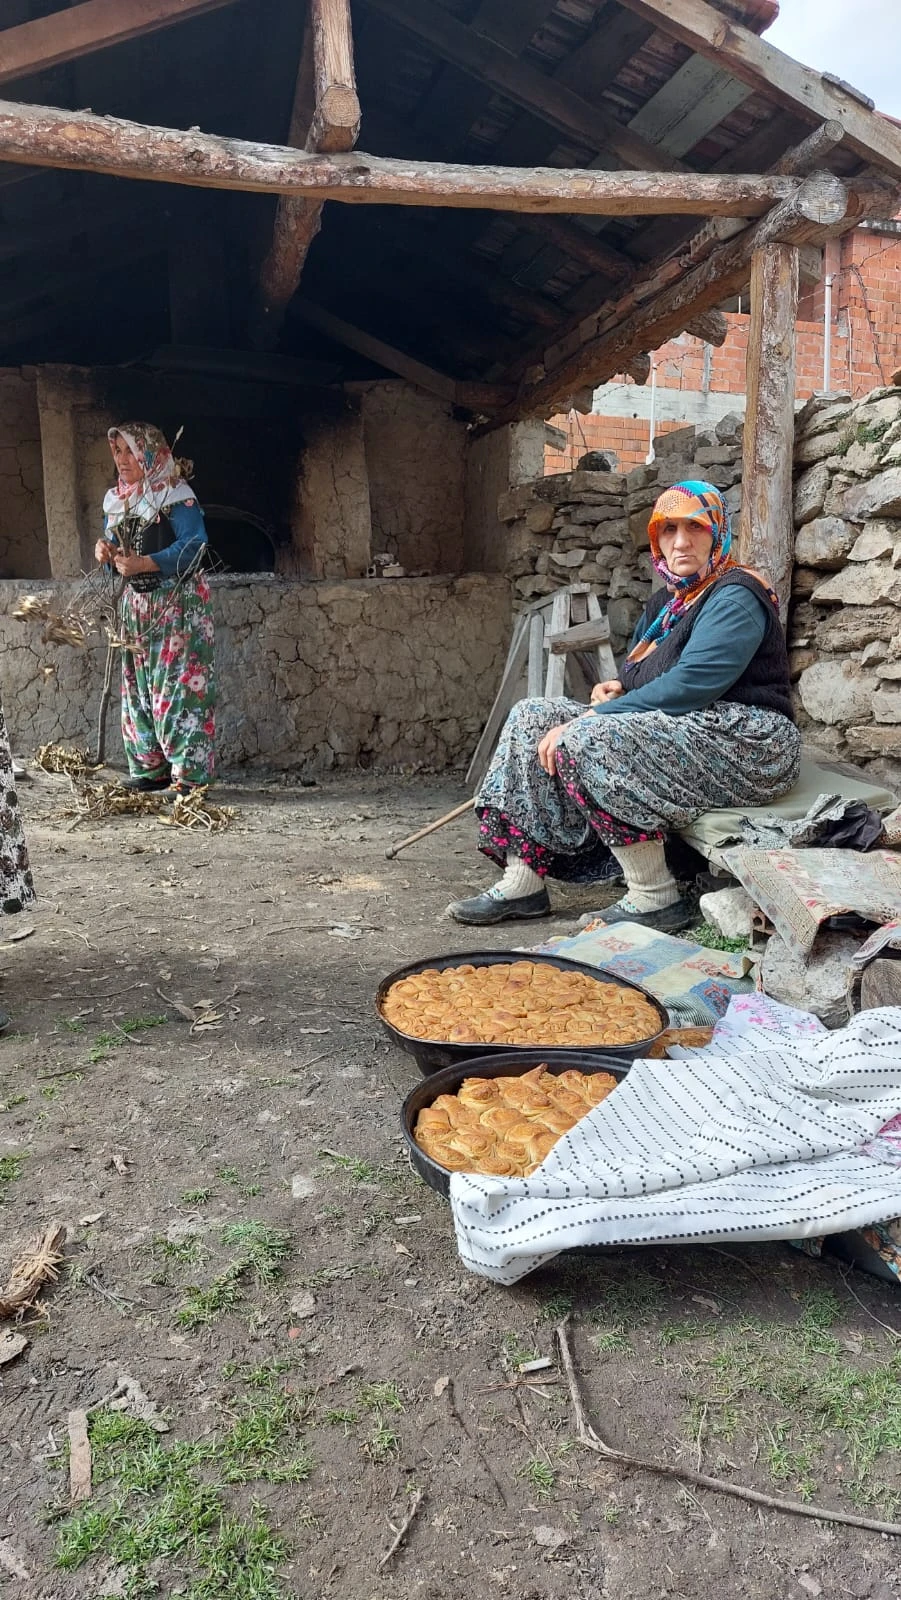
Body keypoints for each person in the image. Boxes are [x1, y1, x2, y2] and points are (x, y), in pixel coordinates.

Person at [449, 480, 801, 933]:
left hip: (750, 742)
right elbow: (645, 676)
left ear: (718, 532)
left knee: (586, 737)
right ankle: (524, 882)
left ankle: (654, 897)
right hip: (688, 727)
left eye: (694, 527)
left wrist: (599, 714)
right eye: (668, 529)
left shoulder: (737, 594)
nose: (680, 542)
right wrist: (616, 690)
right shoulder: (667, 604)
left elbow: (694, 683)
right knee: (531, 716)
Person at [94, 423, 215, 796]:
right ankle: (151, 769)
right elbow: (119, 554)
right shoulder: (119, 499)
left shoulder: (176, 494)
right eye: (117, 451)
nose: (122, 459)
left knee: (178, 687)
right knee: (138, 688)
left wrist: (145, 564)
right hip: (138, 607)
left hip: (177, 607)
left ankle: (190, 775)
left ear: (148, 454)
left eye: (130, 451)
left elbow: (195, 546)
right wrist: (107, 553)